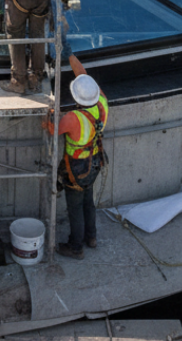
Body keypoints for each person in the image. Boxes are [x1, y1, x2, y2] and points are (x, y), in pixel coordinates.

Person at [44, 54, 108, 259]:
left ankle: (76, 248)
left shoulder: (73, 119)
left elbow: (52, 129)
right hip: (95, 162)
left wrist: (50, 112)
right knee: (88, 201)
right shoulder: (102, 102)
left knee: (75, 207)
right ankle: (92, 237)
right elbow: (83, 76)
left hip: (77, 169)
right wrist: (69, 55)